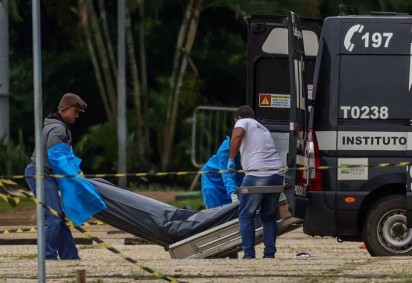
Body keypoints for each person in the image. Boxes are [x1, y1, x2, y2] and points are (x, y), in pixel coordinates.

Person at [24, 93, 87, 260]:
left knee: (57, 216)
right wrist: (74, 176)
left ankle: (70, 256)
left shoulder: (55, 125)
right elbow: (57, 157)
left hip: (42, 173)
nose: (77, 116)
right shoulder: (57, 129)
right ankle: (47, 258)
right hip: (40, 174)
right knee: (52, 217)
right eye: (75, 111)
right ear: (65, 109)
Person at [227, 105, 284, 259]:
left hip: (257, 175)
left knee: (245, 215)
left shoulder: (242, 122)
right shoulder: (263, 128)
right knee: (268, 216)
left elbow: (237, 135)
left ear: (238, 118)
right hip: (277, 175)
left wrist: (231, 159)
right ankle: (269, 255)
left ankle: (249, 255)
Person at [201, 136, 243, 209]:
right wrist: (233, 195)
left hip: (236, 179)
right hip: (213, 180)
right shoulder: (225, 150)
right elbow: (227, 174)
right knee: (215, 211)